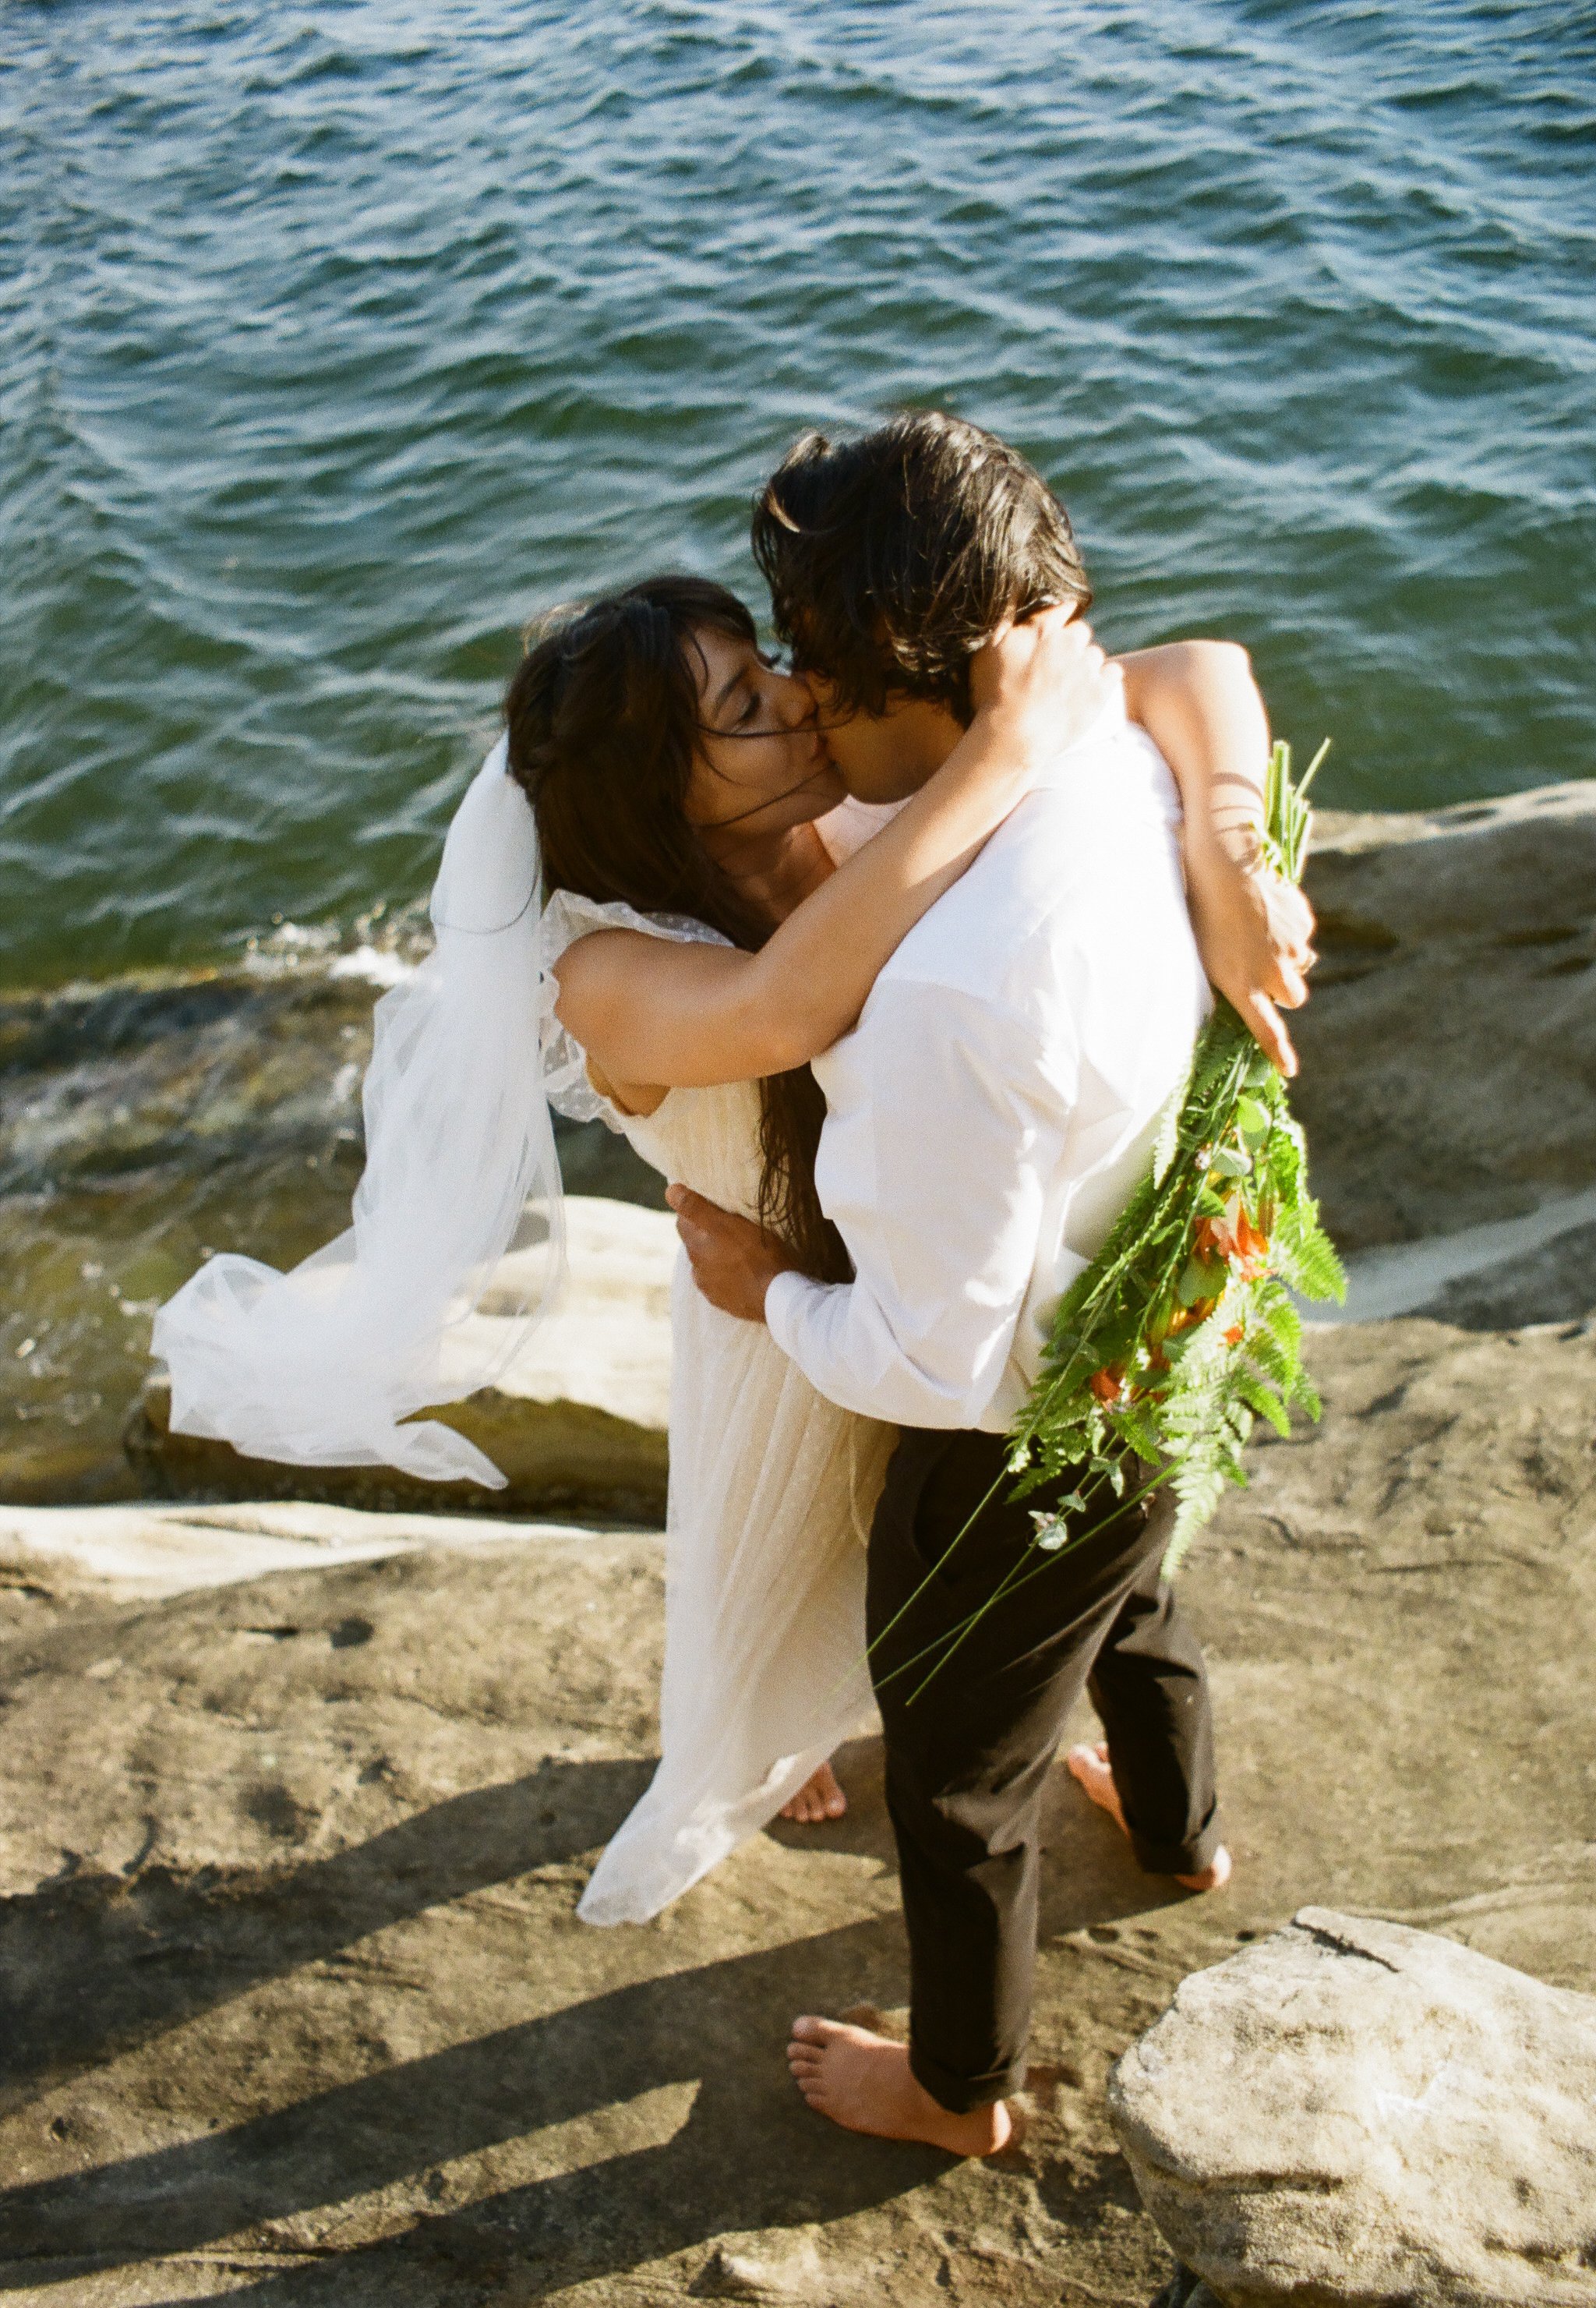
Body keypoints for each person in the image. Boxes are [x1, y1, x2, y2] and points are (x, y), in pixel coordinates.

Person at [517, 563, 1309, 1920]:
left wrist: (1225, 854)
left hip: (959, 1272)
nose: (800, 698)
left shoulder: (856, 796)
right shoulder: (602, 972)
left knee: (1061, 1566)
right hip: (783, 1304)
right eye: (743, 704)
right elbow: (782, 1006)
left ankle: (1112, 1784)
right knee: (784, 1567)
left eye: (769, 663)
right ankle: (780, 1732)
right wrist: (1006, 745)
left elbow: (1198, 672)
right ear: (664, 786)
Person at [667, 412, 1284, 2153]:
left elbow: (929, 1357)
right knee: (1141, 1605)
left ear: (907, 690)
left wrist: (764, 1291)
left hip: (1009, 1443)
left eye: (808, 665)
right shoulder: (1105, 761)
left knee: (953, 1777)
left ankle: (958, 2086)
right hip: (1158, 1342)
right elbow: (1203, 671)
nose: (792, 696)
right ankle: (1179, 1837)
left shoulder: (944, 1006)